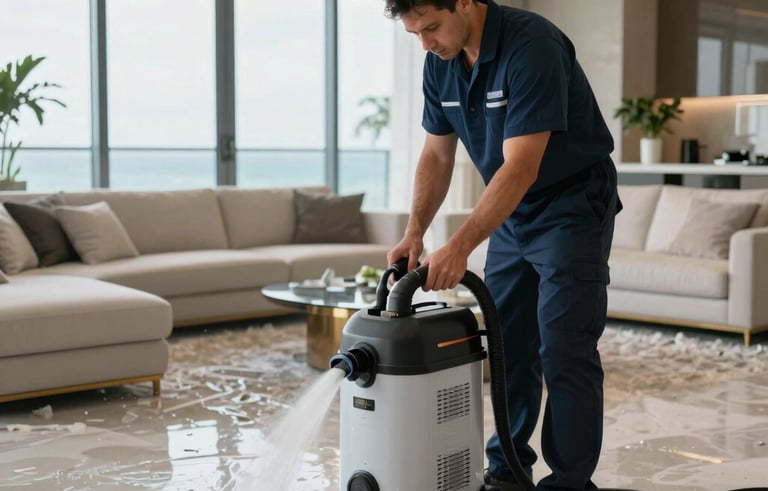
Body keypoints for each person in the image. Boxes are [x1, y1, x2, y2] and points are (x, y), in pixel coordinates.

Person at [383, 0, 620, 489]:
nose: (426, 44)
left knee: (564, 347)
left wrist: (461, 245)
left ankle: (569, 482)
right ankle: (509, 469)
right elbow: (436, 153)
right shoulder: (440, 64)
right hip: (512, 212)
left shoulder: (532, 46)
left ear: (466, 3)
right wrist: (416, 231)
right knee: (509, 344)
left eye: (431, 27)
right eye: (415, 35)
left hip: (570, 206)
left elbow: (521, 166)